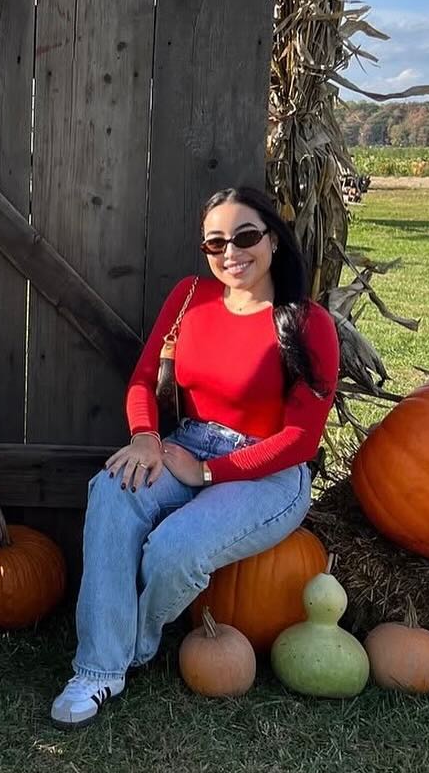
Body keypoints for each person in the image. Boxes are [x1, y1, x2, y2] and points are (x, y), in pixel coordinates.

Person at [51, 185, 340, 728]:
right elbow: (142, 380)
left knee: (173, 550)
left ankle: (133, 644)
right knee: (112, 490)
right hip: (185, 442)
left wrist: (210, 471)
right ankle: (98, 671)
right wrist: (145, 438)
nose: (231, 253)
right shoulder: (190, 297)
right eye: (216, 244)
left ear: (273, 240)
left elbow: (300, 440)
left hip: (269, 472)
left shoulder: (307, 324)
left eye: (246, 236)